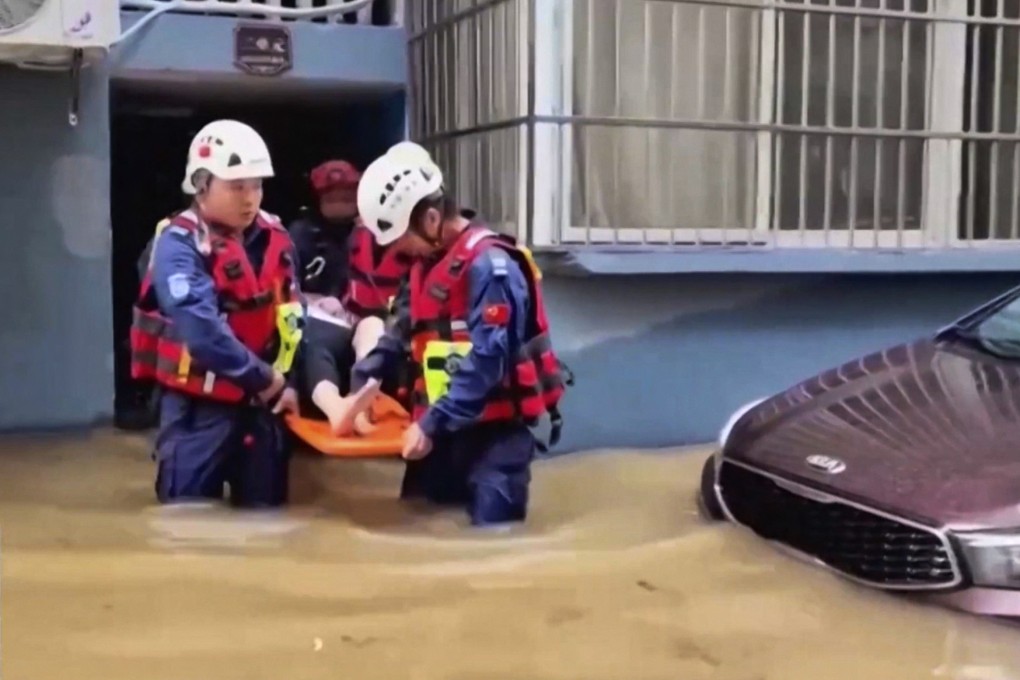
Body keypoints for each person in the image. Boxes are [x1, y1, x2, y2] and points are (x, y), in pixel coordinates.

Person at [339, 142, 570, 526]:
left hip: (492, 437)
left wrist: (429, 423)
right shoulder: (426, 263)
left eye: (400, 239)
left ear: (430, 219)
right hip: (444, 431)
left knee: (492, 540)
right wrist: (367, 377)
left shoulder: (491, 267)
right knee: (415, 521)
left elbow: (488, 358)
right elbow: (402, 331)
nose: (397, 250)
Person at [129, 119, 304, 508]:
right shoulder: (179, 244)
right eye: (237, 186)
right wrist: (268, 380)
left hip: (263, 406)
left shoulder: (276, 237)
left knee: (267, 522)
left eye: (256, 185)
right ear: (202, 184)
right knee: (186, 523)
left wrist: (289, 381)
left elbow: (293, 319)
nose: (250, 198)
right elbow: (202, 331)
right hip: (198, 409)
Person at [288, 159, 411, 435]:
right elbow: (285, 287)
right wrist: (315, 300)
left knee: (373, 330)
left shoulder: (392, 238)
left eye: (347, 195)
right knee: (312, 339)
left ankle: (363, 403)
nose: (340, 202)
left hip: (379, 328)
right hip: (330, 321)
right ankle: (336, 408)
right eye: (332, 196)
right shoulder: (303, 235)